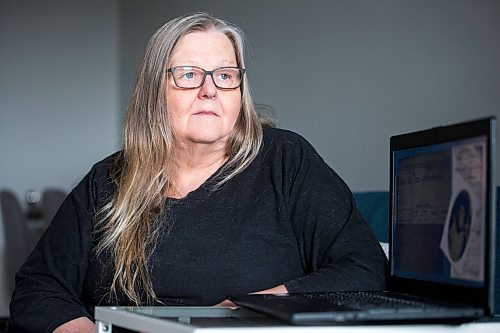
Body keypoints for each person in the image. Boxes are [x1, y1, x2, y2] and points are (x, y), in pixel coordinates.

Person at [7, 12, 386, 333]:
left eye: (225, 75)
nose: (210, 90)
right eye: (188, 75)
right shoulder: (107, 179)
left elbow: (364, 268)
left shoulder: (286, 160)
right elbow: (38, 287)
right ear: (155, 91)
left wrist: (255, 306)